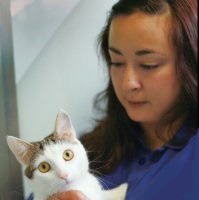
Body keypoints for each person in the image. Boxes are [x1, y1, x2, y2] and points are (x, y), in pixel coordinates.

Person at [28, 0, 198, 199]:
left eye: (148, 65)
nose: (127, 83)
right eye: (117, 63)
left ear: (190, 63)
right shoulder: (85, 152)